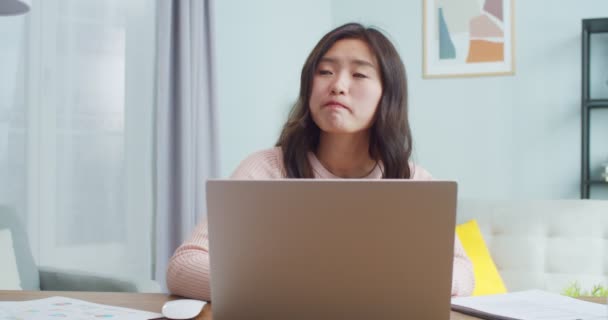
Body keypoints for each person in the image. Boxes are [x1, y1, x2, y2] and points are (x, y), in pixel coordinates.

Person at [166, 22, 475, 301]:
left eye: (359, 74)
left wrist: (386, 284)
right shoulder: (265, 169)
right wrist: (292, 287)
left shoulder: (413, 181)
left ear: (387, 96)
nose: (337, 85)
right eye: (325, 71)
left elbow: (463, 271)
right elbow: (183, 266)